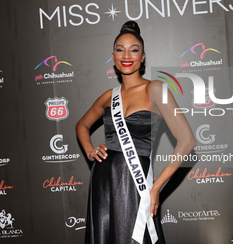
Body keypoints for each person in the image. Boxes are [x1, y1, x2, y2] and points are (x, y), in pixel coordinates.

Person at [75, 21, 196, 244]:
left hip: (134, 182)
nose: (126, 55)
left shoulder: (156, 89)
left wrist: (156, 188)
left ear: (142, 56)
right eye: (120, 49)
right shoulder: (107, 96)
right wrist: (90, 151)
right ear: (113, 56)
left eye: (134, 49)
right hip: (103, 181)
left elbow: (187, 141)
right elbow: (81, 125)